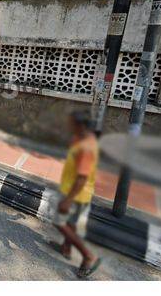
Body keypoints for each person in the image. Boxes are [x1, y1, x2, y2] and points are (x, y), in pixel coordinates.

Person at [50, 110, 101, 278]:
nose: (68, 126)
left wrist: (67, 200)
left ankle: (88, 256)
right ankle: (66, 248)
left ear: (80, 125)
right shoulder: (80, 139)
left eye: (71, 123)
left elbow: (81, 177)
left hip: (77, 194)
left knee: (59, 222)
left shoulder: (86, 147)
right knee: (69, 223)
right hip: (72, 189)